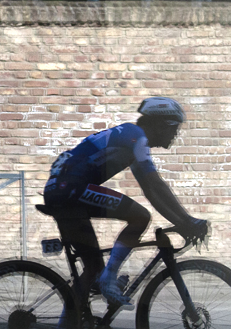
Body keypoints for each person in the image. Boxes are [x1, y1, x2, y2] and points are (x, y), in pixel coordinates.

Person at [41, 97, 208, 307]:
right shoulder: (136, 137)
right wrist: (187, 220)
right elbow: (156, 184)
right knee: (140, 216)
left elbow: (151, 192)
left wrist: (183, 221)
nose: (176, 133)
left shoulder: (132, 140)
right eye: (174, 127)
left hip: (60, 191)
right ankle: (109, 279)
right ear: (160, 124)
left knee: (92, 270)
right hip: (70, 189)